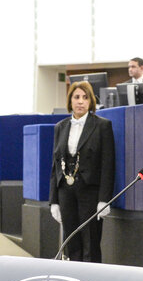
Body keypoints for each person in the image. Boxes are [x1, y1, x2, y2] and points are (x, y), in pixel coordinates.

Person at [49, 81, 115, 262]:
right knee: (71, 242)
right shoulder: (60, 127)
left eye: (85, 98)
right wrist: (53, 200)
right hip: (66, 191)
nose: (80, 102)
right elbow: (55, 166)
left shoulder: (102, 126)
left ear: (91, 101)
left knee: (90, 242)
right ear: (70, 101)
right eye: (76, 97)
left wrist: (104, 199)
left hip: (90, 192)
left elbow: (108, 164)